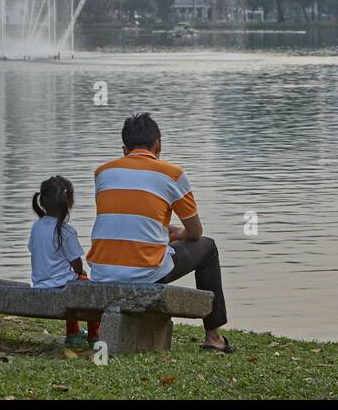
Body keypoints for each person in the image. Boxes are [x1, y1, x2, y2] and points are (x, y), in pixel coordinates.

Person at [87, 112, 234, 353]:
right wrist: (179, 234)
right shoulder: (172, 174)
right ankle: (213, 337)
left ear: (124, 149)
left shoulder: (102, 173)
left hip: (103, 272)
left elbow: (125, 217)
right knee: (208, 248)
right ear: (159, 145)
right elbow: (196, 231)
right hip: (145, 274)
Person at [29, 175, 100, 348]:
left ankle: (74, 332)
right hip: (60, 285)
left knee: (75, 283)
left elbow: (34, 251)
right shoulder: (66, 231)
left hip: (39, 284)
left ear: (43, 202)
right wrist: (80, 273)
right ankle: (94, 334)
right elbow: (77, 264)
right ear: (69, 201)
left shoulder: (36, 227)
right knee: (93, 291)